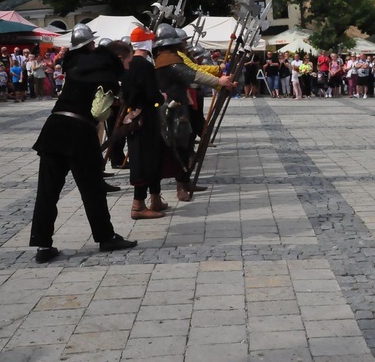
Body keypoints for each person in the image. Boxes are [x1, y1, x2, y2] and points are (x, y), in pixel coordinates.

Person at [30, 26, 138, 264]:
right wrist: (115, 108)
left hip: (54, 128)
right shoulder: (104, 72)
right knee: (93, 190)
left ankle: (43, 244)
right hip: (79, 132)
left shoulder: (74, 66)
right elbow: (98, 112)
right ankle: (106, 236)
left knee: (48, 191)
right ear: (92, 45)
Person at [153, 24, 237, 201]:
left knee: (184, 145)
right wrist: (219, 82)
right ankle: (180, 186)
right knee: (178, 148)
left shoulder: (166, 58)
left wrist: (219, 82)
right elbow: (194, 76)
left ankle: (184, 182)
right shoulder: (170, 61)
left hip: (177, 105)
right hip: (172, 109)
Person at [120, 27, 169, 219]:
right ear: (146, 43)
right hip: (145, 117)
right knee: (144, 159)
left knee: (153, 157)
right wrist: (161, 98)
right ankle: (138, 205)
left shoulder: (129, 64)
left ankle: (155, 198)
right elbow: (151, 95)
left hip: (135, 115)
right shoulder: (144, 66)